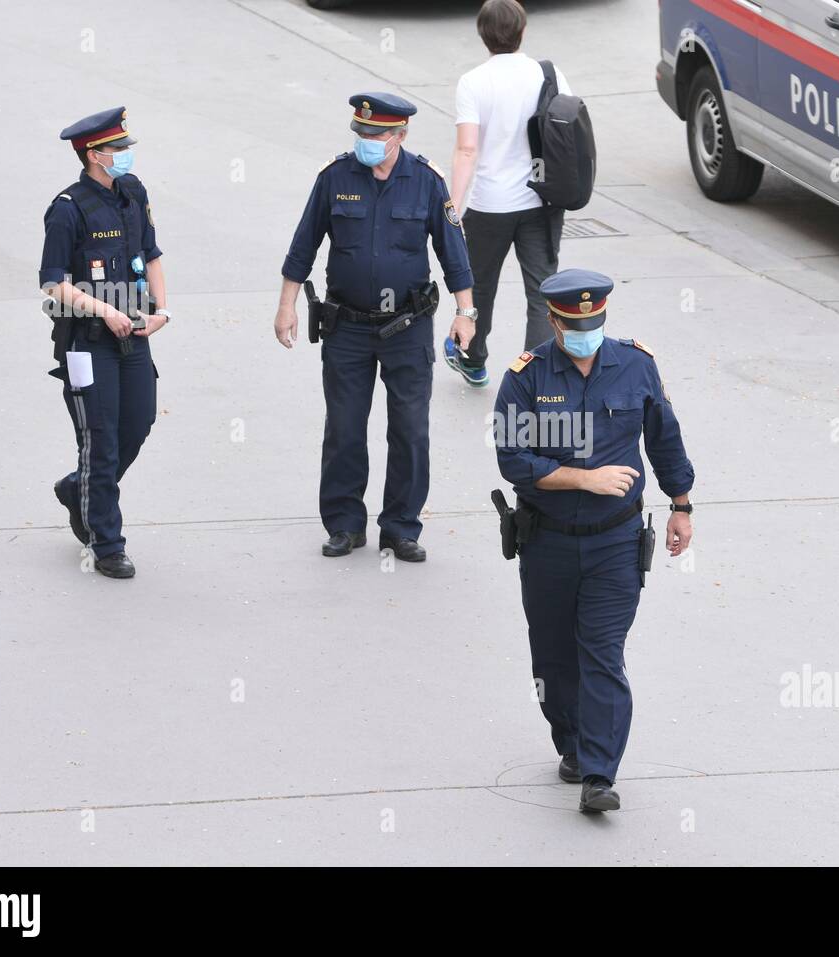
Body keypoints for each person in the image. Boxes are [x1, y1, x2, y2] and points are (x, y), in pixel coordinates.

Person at [493, 269, 695, 812]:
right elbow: (514, 461)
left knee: (602, 653)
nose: (585, 332)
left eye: (594, 323)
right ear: (555, 322)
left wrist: (681, 506)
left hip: (615, 541)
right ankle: (574, 745)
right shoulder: (525, 378)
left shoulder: (636, 365)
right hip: (548, 542)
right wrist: (583, 477)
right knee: (555, 659)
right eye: (574, 324)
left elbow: (664, 439)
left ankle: (600, 776)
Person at [275, 93, 477, 563]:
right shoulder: (335, 178)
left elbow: (454, 255)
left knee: (409, 429)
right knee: (344, 427)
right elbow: (302, 246)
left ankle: (401, 527)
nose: (365, 141)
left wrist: (465, 313)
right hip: (347, 326)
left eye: (375, 135)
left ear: (400, 137)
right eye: (360, 133)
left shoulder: (426, 183)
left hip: (407, 328)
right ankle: (345, 525)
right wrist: (286, 306)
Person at [40, 107, 170, 580]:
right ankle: (107, 543)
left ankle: (79, 489)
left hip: (135, 337)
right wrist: (105, 310)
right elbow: (53, 285)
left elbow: (150, 255)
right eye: (117, 150)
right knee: (101, 441)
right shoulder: (68, 209)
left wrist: (162, 310)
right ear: (94, 155)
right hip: (87, 343)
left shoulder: (133, 194)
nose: (125, 156)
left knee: (138, 423)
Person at [446, 0, 571, 388]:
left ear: (482, 35)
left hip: (488, 206)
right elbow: (569, 131)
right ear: (523, 30)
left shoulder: (473, 82)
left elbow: (467, 150)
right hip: (540, 200)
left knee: (479, 286)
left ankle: (473, 359)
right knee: (541, 291)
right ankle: (536, 376)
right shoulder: (548, 74)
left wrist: (452, 205)